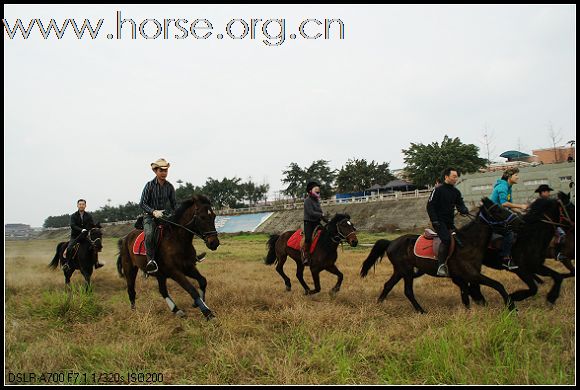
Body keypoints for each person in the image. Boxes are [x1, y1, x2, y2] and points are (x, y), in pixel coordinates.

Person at [426, 167, 470, 277]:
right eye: (454, 176)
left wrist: (464, 210)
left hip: (449, 222)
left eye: (457, 177)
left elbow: (460, 204)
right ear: (446, 177)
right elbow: (430, 206)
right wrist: (434, 220)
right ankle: (441, 266)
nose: (456, 179)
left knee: (459, 239)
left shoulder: (456, 192)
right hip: (439, 222)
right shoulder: (438, 190)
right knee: (446, 240)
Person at [140, 158, 177, 273]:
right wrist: (153, 212)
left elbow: (174, 204)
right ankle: (150, 260)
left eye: (166, 171)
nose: (164, 173)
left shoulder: (169, 187)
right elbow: (142, 203)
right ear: (155, 171)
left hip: (164, 216)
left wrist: (177, 214)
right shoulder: (149, 185)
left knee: (178, 232)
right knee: (150, 234)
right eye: (161, 170)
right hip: (149, 217)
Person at [489, 167, 528, 270]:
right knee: (509, 233)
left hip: (500, 215)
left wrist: (522, 213)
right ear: (509, 177)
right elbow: (504, 203)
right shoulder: (502, 187)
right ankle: (505, 258)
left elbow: (510, 206)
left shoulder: (508, 187)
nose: (518, 177)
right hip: (493, 217)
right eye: (516, 175)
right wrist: (521, 206)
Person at [62, 199, 103, 272]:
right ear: (77, 205)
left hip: (85, 237)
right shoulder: (73, 216)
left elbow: (91, 224)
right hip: (75, 237)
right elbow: (72, 225)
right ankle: (67, 264)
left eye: (83, 204)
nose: (81, 206)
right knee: (70, 248)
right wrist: (81, 229)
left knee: (94, 246)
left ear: (85, 206)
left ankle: (96, 263)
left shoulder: (88, 215)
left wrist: (96, 226)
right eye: (80, 204)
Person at [302, 181, 329, 266]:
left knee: (327, 234)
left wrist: (327, 221)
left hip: (317, 222)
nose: (318, 191)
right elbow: (311, 213)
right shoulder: (307, 201)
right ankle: (306, 256)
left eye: (318, 190)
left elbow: (320, 213)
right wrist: (321, 215)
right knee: (308, 238)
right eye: (315, 189)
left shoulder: (317, 201)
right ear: (310, 191)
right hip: (308, 223)